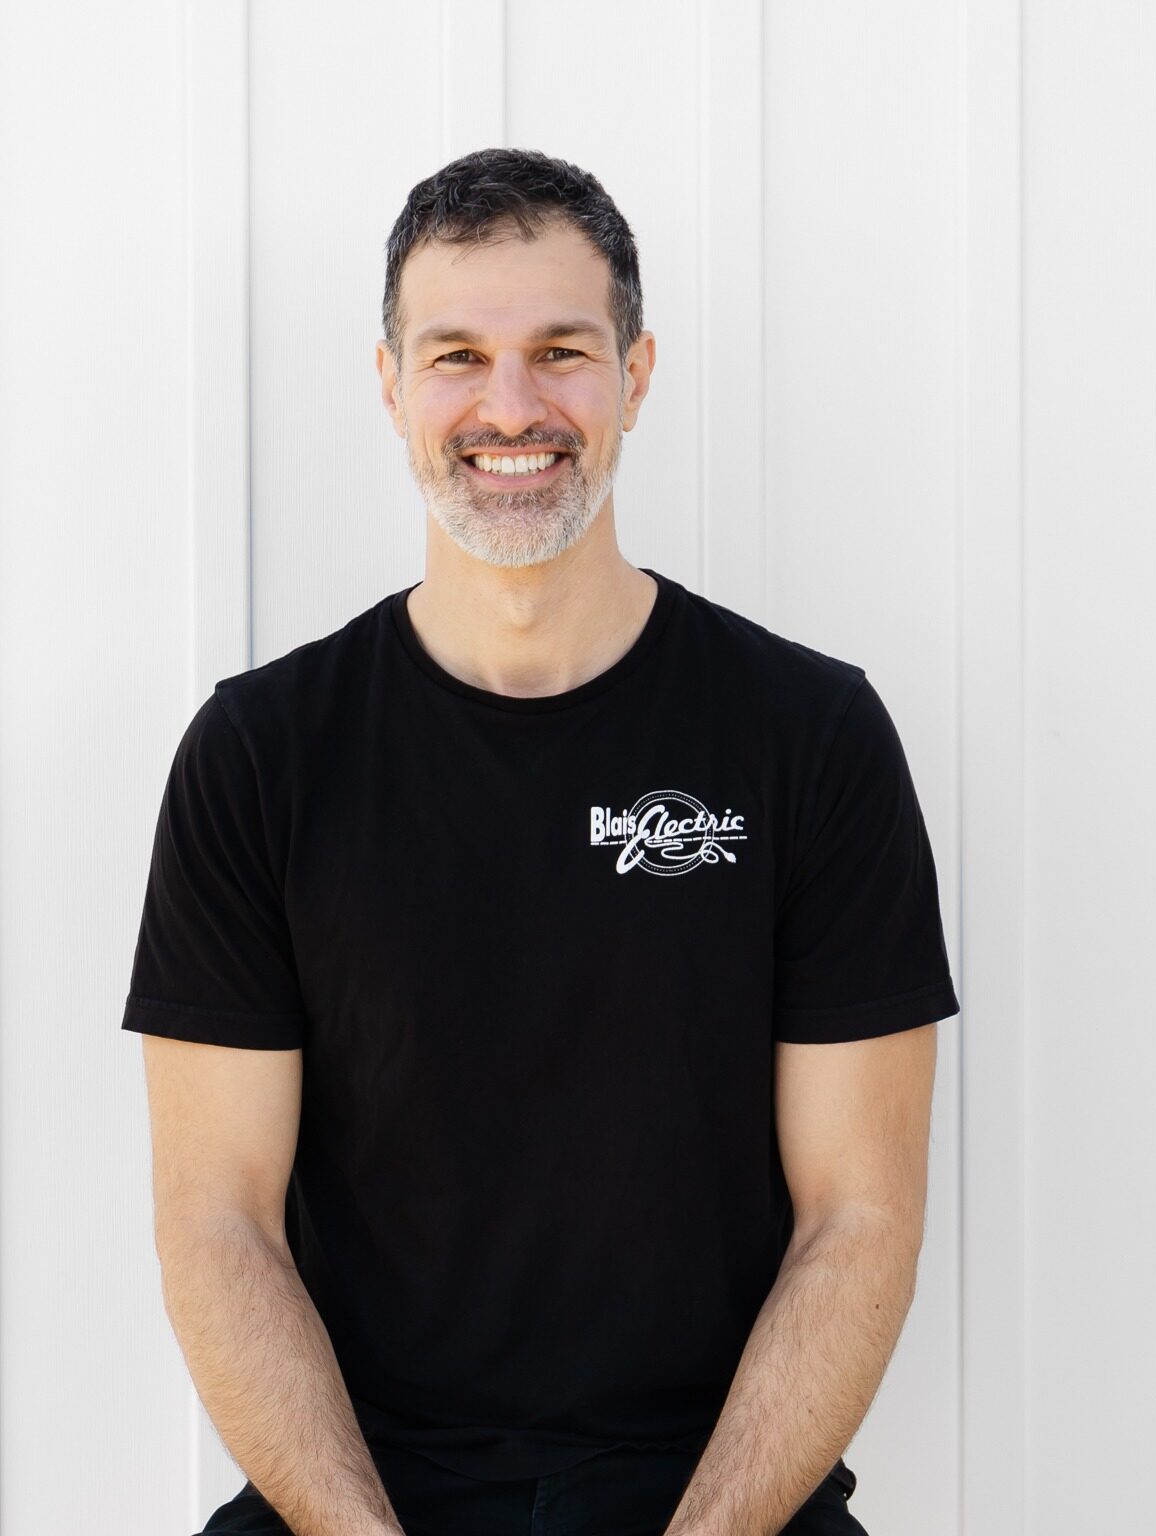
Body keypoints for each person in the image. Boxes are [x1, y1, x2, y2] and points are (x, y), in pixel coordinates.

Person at [121, 146, 959, 1536]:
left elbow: (858, 1218)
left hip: (718, 1498)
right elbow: (220, 1225)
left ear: (635, 374)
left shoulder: (809, 737)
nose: (511, 407)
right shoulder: (261, 757)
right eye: (457, 355)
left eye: (561, 351)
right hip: (360, 1498)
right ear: (392, 386)